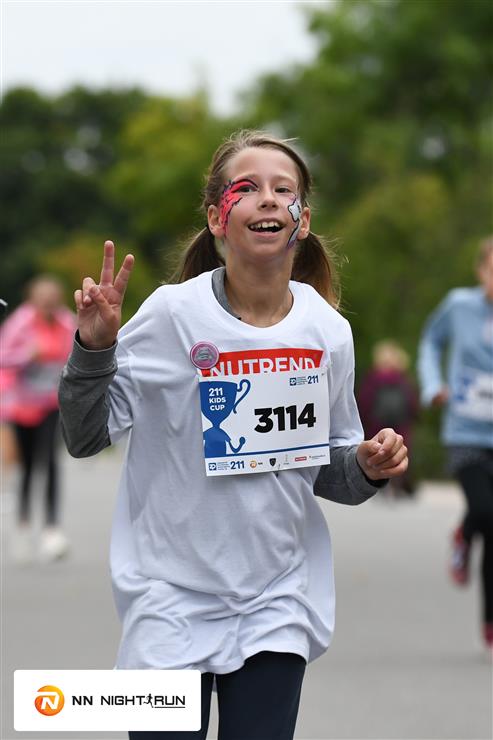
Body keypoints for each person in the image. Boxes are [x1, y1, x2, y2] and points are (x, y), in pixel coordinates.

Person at [58, 130, 408, 740]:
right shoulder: (171, 314)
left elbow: (326, 469)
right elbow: (85, 437)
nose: (268, 199)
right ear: (217, 217)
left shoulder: (328, 332)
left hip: (276, 601)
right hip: (168, 600)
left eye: (283, 189)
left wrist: (368, 465)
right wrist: (94, 347)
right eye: (247, 188)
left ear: (302, 221)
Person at [418, 236, 493, 654]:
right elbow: (430, 342)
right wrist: (433, 385)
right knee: (485, 512)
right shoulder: (459, 306)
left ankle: (489, 624)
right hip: (466, 431)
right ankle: (465, 532)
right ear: (481, 270)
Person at [0, 275, 76, 562]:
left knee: (51, 461)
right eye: (42, 298)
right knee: (28, 466)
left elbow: (77, 356)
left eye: (52, 298)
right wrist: (27, 355)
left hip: (51, 404)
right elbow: (3, 357)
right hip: (21, 406)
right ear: (32, 298)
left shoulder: (67, 323)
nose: (47, 303)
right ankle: (22, 524)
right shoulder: (20, 322)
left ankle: (52, 529)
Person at [358, 340, 419, 497]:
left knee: (379, 450)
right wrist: (412, 418)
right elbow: (412, 403)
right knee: (399, 450)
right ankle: (398, 482)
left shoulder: (372, 378)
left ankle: (380, 481)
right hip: (400, 423)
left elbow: (365, 401)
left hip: (376, 423)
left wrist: (365, 420)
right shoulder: (403, 379)